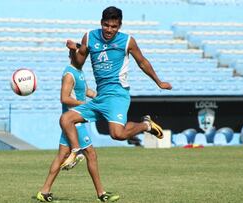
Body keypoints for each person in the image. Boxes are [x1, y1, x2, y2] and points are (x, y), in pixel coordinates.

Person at [60, 6, 172, 169]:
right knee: (66, 119)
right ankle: (76, 151)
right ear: (101, 23)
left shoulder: (127, 41)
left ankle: (146, 125)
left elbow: (142, 62)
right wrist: (75, 49)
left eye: (114, 26)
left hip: (117, 94)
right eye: (106, 25)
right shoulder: (90, 37)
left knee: (117, 134)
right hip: (100, 97)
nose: (109, 30)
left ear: (119, 26)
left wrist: (159, 82)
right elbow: (79, 62)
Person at [36, 48, 120, 202]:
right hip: (73, 122)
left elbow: (83, 90)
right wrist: (85, 105)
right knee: (91, 155)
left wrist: (96, 96)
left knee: (61, 155)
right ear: (71, 56)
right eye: (79, 55)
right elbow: (64, 98)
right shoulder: (69, 74)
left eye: (84, 55)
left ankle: (44, 191)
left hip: (73, 121)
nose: (83, 57)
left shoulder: (79, 72)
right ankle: (102, 194)